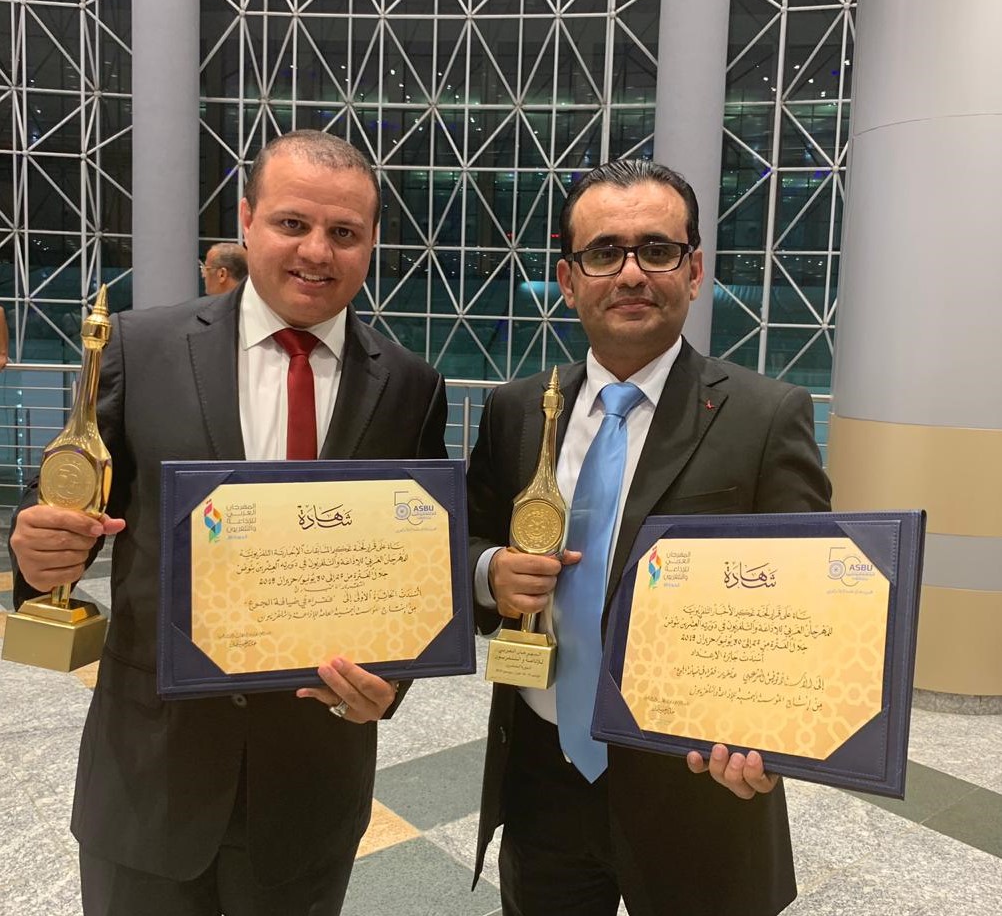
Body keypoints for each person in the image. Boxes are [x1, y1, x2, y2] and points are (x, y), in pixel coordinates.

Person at [9, 130, 448, 915]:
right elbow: (73, 495)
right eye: (292, 223)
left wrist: (393, 683)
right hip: (150, 777)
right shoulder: (140, 348)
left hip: (310, 785)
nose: (317, 251)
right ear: (247, 220)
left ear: (372, 242)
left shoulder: (410, 388)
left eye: (344, 232)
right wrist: (39, 553)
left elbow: (418, 570)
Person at [466, 159, 832, 916]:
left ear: (693, 271)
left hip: (696, 783)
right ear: (569, 281)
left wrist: (777, 736)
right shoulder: (517, 411)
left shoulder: (766, 417)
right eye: (604, 252)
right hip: (541, 775)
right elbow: (465, 542)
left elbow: (808, 610)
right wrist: (489, 570)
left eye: (656, 250)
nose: (631, 272)